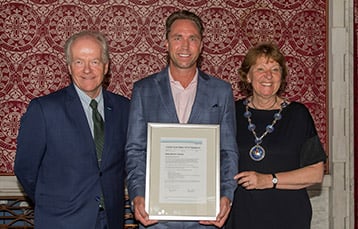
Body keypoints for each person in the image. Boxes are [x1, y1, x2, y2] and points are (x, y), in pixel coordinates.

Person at [125, 10, 238, 228]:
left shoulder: (221, 91)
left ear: (202, 45)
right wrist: (138, 195)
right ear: (166, 43)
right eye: (178, 38)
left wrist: (226, 195)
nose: (185, 46)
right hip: (156, 217)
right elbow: (135, 149)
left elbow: (228, 151)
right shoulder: (144, 90)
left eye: (192, 38)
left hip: (205, 217)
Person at [14, 31, 130, 229]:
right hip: (61, 220)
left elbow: (129, 162)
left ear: (106, 66)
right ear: (69, 67)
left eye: (94, 61)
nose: (87, 70)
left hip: (110, 220)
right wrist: (53, 204)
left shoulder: (124, 108)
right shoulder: (44, 109)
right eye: (78, 62)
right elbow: (25, 170)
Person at [225, 42, 327, 229]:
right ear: (247, 76)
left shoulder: (298, 114)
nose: (268, 76)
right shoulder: (231, 112)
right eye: (260, 69)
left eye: (275, 69)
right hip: (241, 215)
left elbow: (316, 173)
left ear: (282, 77)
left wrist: (268, 180)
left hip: (288, 216)